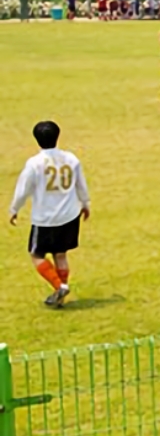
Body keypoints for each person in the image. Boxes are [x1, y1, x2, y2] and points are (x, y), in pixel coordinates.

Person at [9, 121, 91, 308]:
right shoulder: (71, 158)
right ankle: (61, 293)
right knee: (60, 254)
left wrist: (14, 209)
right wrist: (85, 203)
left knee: (36, 254)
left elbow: (23, 190)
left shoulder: (34, 163)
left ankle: (59, 286)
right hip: (69, 215)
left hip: (45, 218)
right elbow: (81, 183)